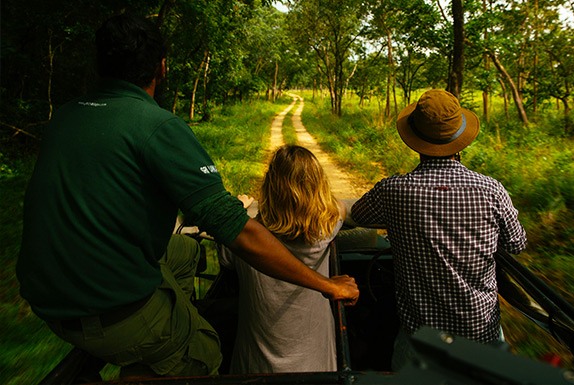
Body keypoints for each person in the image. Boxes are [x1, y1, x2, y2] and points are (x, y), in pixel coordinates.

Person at [16, 14, 358, 379]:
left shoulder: (66, 115)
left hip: (44, 296)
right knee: (203, 352)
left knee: (185, 251)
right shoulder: (158, 125)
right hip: (108, 310)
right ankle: (158, 347)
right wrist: (327, 284)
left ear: (99, 64)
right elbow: (237, 233)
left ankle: (169, 317)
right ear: (161, 68)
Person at [350, 89, 527, 370]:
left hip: (421, 337)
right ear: (460, 140)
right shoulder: (491, 189)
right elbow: (516, 243)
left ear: (415, 140)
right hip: (481, 333)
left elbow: (358, 215)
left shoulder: (393, 191)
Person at [220, 145, 345, 373]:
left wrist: (239, 207)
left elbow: (226, 253)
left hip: (255, 370)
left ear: (269, 188)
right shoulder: (327, 229)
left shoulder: (245, 241)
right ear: (319, 187)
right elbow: (339, 208)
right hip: (317, 369)